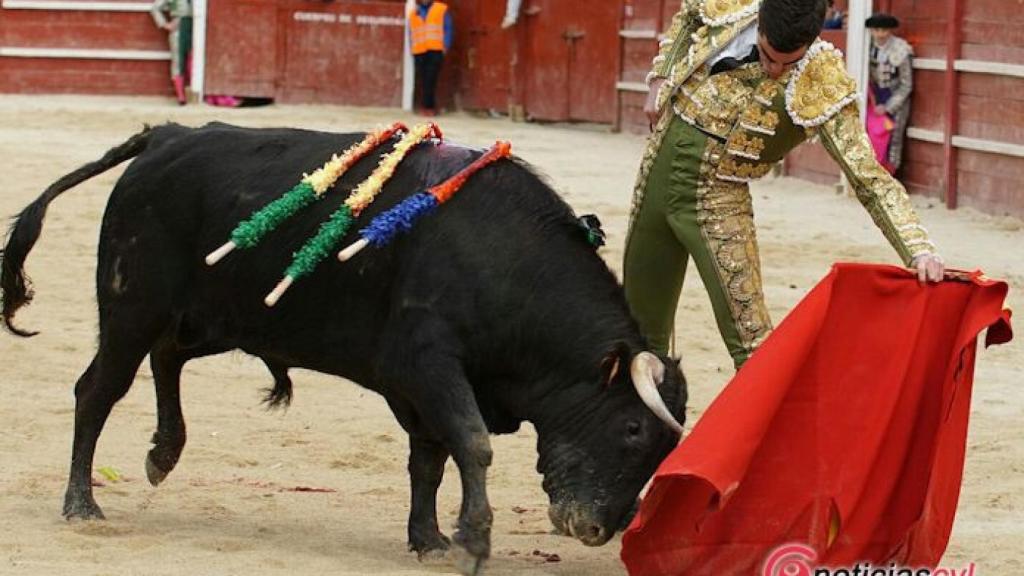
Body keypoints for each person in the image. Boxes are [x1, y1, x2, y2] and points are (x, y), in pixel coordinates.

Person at [625, 0, 944, 369]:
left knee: (752, 342)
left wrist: (918, 249)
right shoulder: (735, 6)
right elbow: (689, 15)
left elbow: (868, 176)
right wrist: (661, 78)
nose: (774, 71)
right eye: (766, 56)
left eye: (788, 63)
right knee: (638, 328)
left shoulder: (822, 78)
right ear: (759, 20)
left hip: (717, 197)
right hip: (656, 168)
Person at [867, 13, 913, 174]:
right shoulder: (867, 46)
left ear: (890, 31)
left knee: (894, 137)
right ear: (871, 31)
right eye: (877, 30)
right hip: (875, 96)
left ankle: (891, 176)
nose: (880, 34)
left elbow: (906, 84)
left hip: (895, 97)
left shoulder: (901, 49)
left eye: (884, 30)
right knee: (870, 135)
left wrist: (888, 107)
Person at [408, 0, 453, 116]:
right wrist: (412, 48)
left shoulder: (440, 9)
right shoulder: (414, 12)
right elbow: (411, 32)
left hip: (435, 49)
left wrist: (445, 46)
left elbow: (448, 28)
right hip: (419, 50)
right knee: (422, 79)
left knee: (430, 79)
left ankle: (429, 107)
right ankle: (422, 106)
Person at [150, 0, 192, 105]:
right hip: (179, 27)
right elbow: (155, 8)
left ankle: (192, 93)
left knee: (193, 60)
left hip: (197, 27)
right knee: (178, 61)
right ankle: (181, 96)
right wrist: (164, 24)